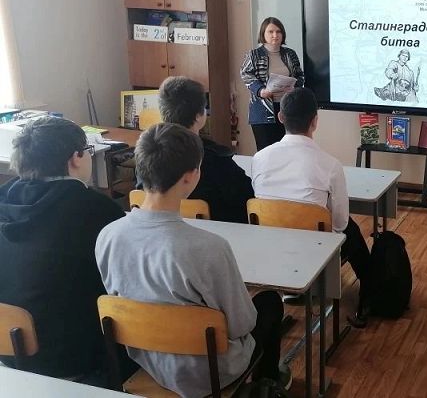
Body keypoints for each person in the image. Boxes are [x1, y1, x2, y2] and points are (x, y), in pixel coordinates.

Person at [96, 123, 288, 397]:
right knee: (269, 303)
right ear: (190, 176)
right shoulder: (210, 248)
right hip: (209, 372)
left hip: (148, 360)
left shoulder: (108, 235)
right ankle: (265, 385)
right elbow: (243, 324)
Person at [0, 116, 133, 384]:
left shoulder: (5, 199)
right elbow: (129, 278)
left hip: (11, 353)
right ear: (76, 158)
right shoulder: (96, 209)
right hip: (76, 357)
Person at [251, 87, 373, 328]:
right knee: (351, 229)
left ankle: (291, 289)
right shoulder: (330, 165)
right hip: (314, 253)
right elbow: (340, 223)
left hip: (271, 251)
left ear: (280, 117)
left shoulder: (259, 158)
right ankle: (369, 292)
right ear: (315, 121)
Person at [158, 76, 254, 223]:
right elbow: (249, 199)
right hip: (219, 232)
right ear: (199, 116)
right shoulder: (216, 160)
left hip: (163, 230)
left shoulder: (148, 158)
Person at [241, 17, 304, 151]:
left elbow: (300, 75)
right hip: (262, 112)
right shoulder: (254, 55)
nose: (275, 35)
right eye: (270, 32)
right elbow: (245, 74)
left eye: (278, 31)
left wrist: (294, 87)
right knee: (266, 151)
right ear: (263, 34)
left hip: (286, 109)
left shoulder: (290, 54)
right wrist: (260, 90)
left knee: (286, 150)